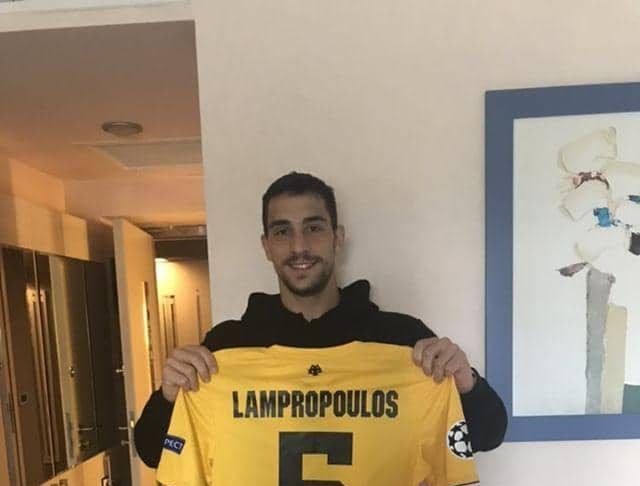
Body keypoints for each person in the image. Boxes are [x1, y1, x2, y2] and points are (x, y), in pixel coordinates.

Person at [134, 172, 507, 468]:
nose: (299, 246)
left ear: (337, 238)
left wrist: (466, 382)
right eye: (283, 231)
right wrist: (168, 396)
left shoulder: (401, 339)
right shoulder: (227, 347)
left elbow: (487, 434)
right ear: (266, 245)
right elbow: (153, 452)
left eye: (313, 228)